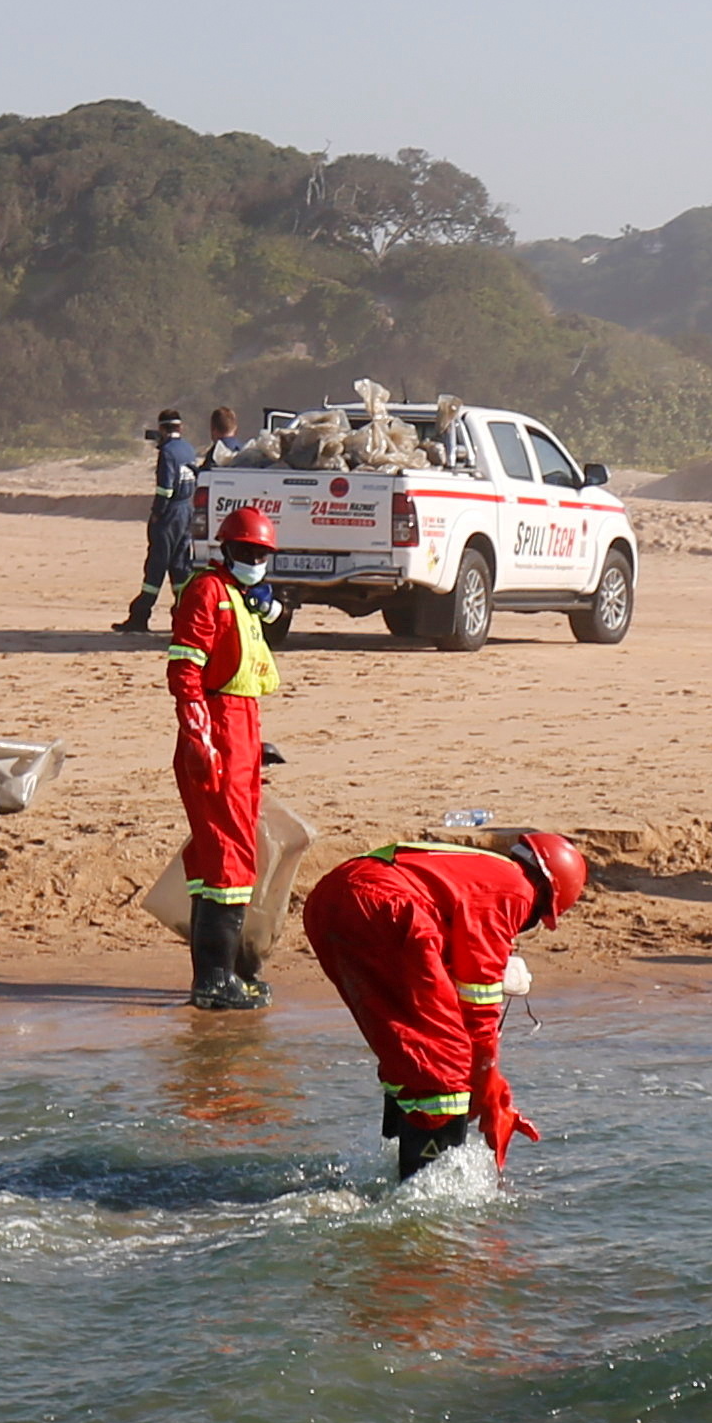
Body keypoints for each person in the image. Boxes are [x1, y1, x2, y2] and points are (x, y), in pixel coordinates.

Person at [302, 828, 586, 1177]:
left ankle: (392, 1167)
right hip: (385, 908)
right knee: (444, 1065)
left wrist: (493, 1093)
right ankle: (423, 1201)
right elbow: (479, 1008)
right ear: (546, 896)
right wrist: (489, 1091)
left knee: (407, 1046)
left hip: (330, 901)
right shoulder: (515, 891)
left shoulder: (479, 868)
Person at [162, 503, 286, 1010]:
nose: (253, 558)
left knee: (227, 852)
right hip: (218, 730)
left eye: (260, 553)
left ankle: (225, 972)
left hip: (240, 728)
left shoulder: (237, 596)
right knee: (227, 856)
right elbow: (185, 671)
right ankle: (214, 981)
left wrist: (255, 746)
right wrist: (199, 738)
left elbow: (242, 674)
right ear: (227, 550)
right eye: (246, 551)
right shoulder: (208, 592)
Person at [117, 408, 201, 632]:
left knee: (156, 566)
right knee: (180, 567)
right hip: (186, 512)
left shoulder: (167, 453)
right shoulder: (188, 449)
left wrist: (157, 513)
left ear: (162, 428)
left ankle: (140, 616)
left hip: (169, 515)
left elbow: (165, 488)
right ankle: (185, 616)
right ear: (180, 428)